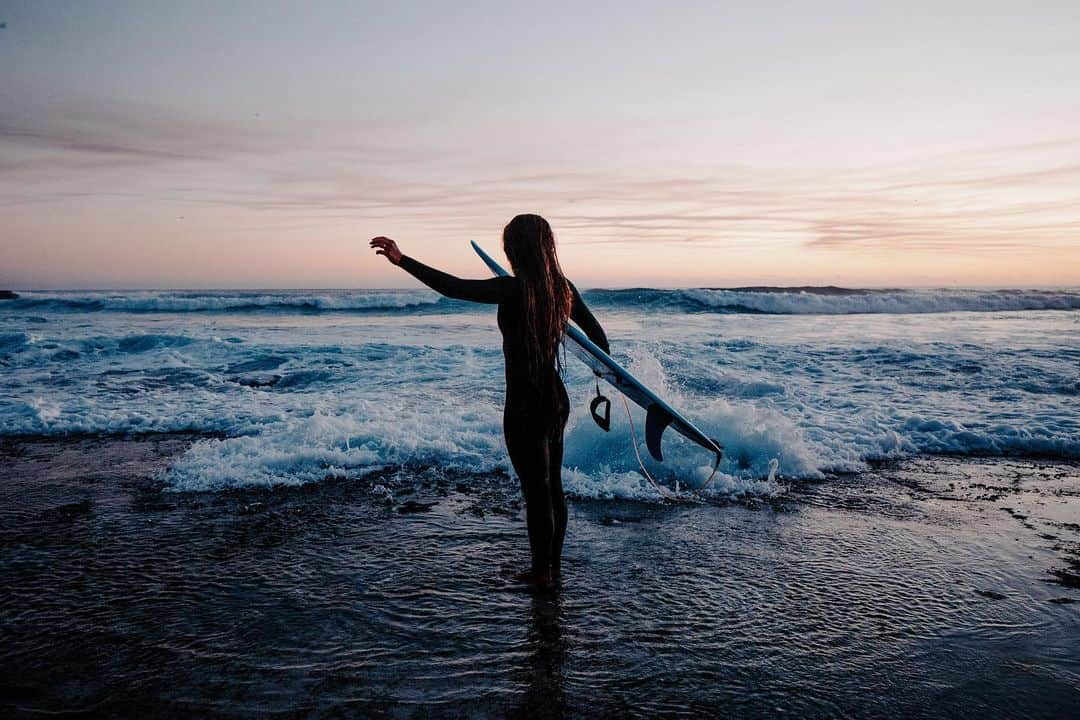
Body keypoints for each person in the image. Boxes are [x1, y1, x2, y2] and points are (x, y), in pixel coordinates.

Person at [370, 214, 609, 589]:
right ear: (547, 248)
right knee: (553, 488)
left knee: (536, 491)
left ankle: (542, 575)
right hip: (555, 401)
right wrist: (602, 371)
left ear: (515, 250)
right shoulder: (563, 289)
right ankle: (552, 567)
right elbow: (598, 339)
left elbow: (453, 287)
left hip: (524, 405)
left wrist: (403, 260)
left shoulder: (512, 290)